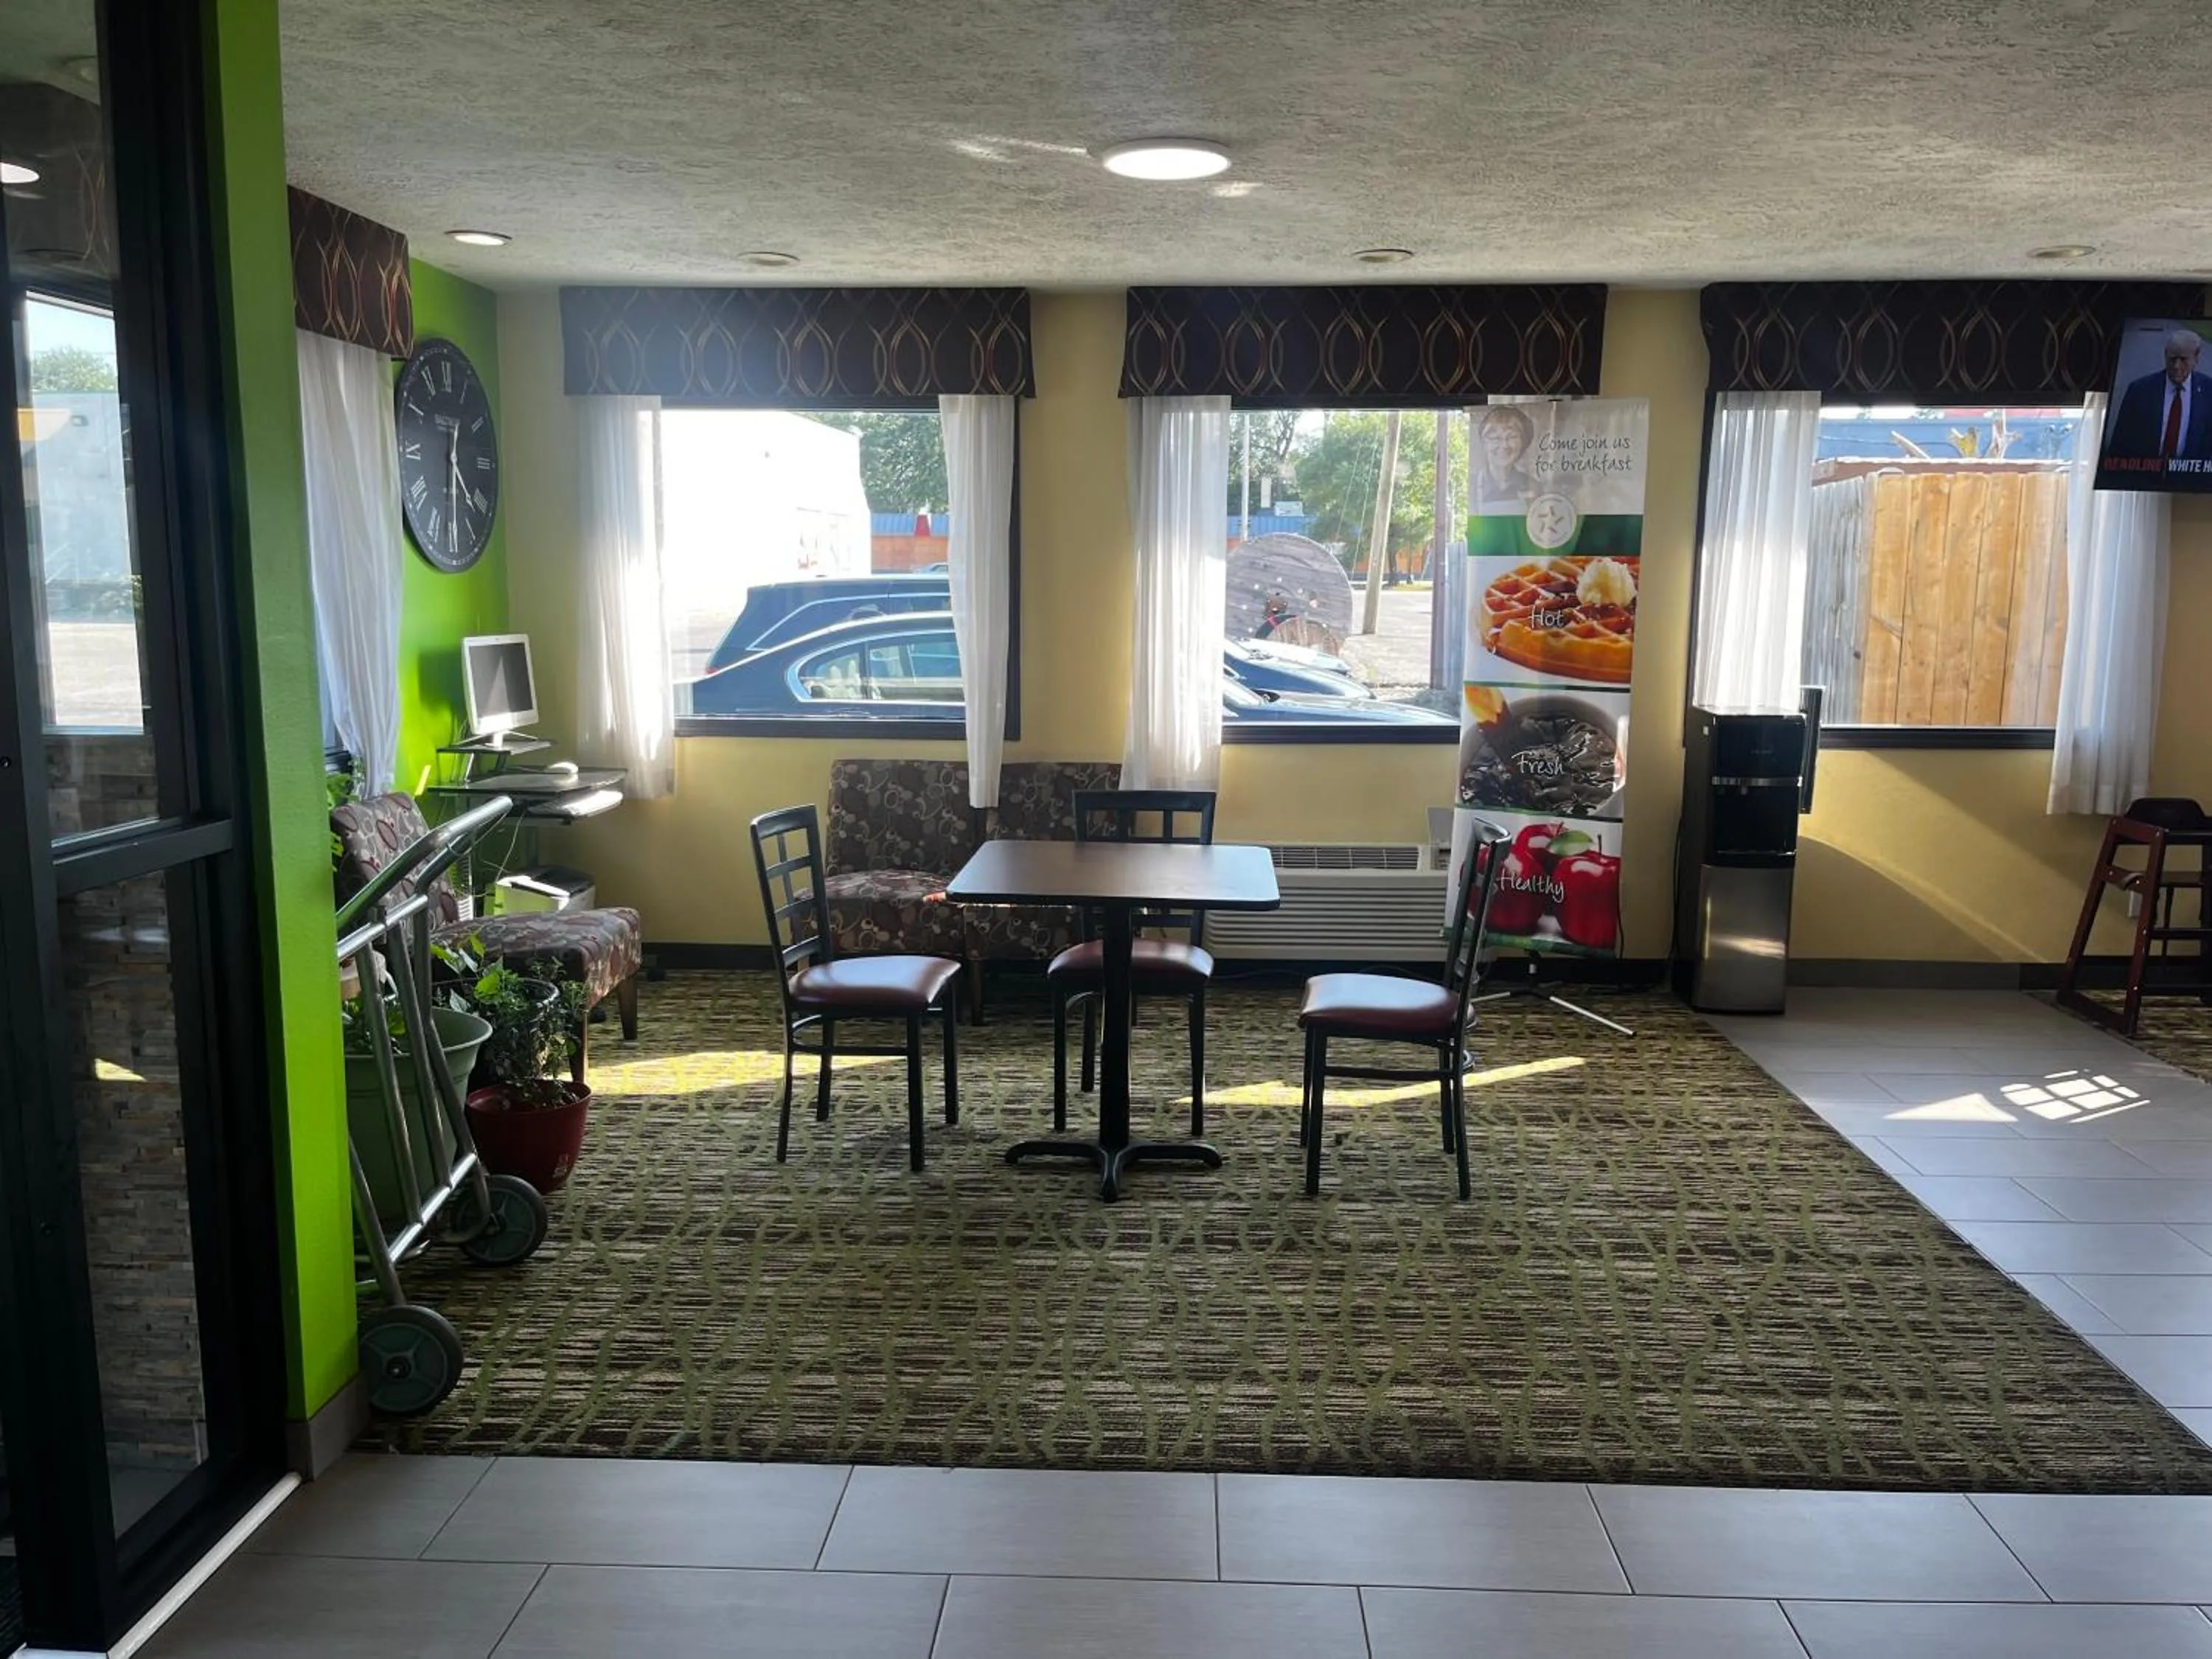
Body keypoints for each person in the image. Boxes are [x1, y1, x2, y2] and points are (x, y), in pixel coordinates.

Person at [2108, 327, 2212, 460]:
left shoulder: (2209, 391)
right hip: (2144, 471)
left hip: (2191, 473)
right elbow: (2119, 444)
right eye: (2172, 359)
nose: (2176, 366)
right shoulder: (2139, 390)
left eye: (2183, 359)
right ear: (2165, 355)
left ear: (2196, 358)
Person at [1472, 405, 1537, 513]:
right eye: (1495, 438)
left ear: (1524, 443)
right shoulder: (1470, 486)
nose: (1504, 445)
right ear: (1484, 443)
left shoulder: (1534, 487)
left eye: (1512, 437)